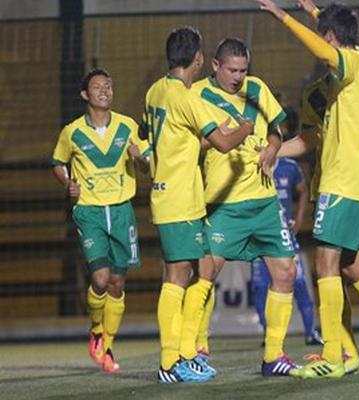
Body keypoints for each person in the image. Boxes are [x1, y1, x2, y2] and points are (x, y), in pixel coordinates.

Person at [258, 0, 359, 379]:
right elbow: (310, 140)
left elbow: (325, 48)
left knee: (324, 263)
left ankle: (333, 354)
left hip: (345, 180)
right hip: (348, 181)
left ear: (330, 39)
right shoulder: (341, 81)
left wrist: (283, 16)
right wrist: (273, 151)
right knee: (352, 264)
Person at [142, 26, 253, 384]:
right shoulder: (186, 97)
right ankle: (169, 361)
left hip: (177, 195)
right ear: (200, 59)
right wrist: (244, 129)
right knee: (177, 276)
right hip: (177, 197)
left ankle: (187, 354)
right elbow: (222, 143)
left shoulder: (155, 91)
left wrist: (214, 135)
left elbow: (183, 143)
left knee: (196, 272)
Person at [192, 37, 298, 377]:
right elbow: (188, 147)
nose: (239, 77)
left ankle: (273, 356)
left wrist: (272, 147)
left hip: (264, 203)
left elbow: (277, 132)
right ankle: (196, 349)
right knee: (205, 275)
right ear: (215, 66)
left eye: (243, 70)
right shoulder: (196, 96)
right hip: (224, 203)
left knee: (286, 272)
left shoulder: (258, 89)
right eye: (232, 70)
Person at [51, 68, 150, 373]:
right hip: (90, 211)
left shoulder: (128, 126)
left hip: (121, 211)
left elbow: (147, 166)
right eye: (98, 87)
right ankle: (96, 329)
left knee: (118, 284)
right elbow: (58, 162)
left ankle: (107, 346)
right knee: (100, 279)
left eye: (108, 86)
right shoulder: (72, 132)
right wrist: (68, 183)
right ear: (85, 95)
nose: (105, 90)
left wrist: (139, 158)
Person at [250, 156, 323, 346]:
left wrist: (299, 220)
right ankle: (269, 335)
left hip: (284, 234)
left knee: (298, 283)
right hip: (259, 234)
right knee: (259, 287)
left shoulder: (289, 166)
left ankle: (310, 331)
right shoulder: (252, 161)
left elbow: (303, 190)